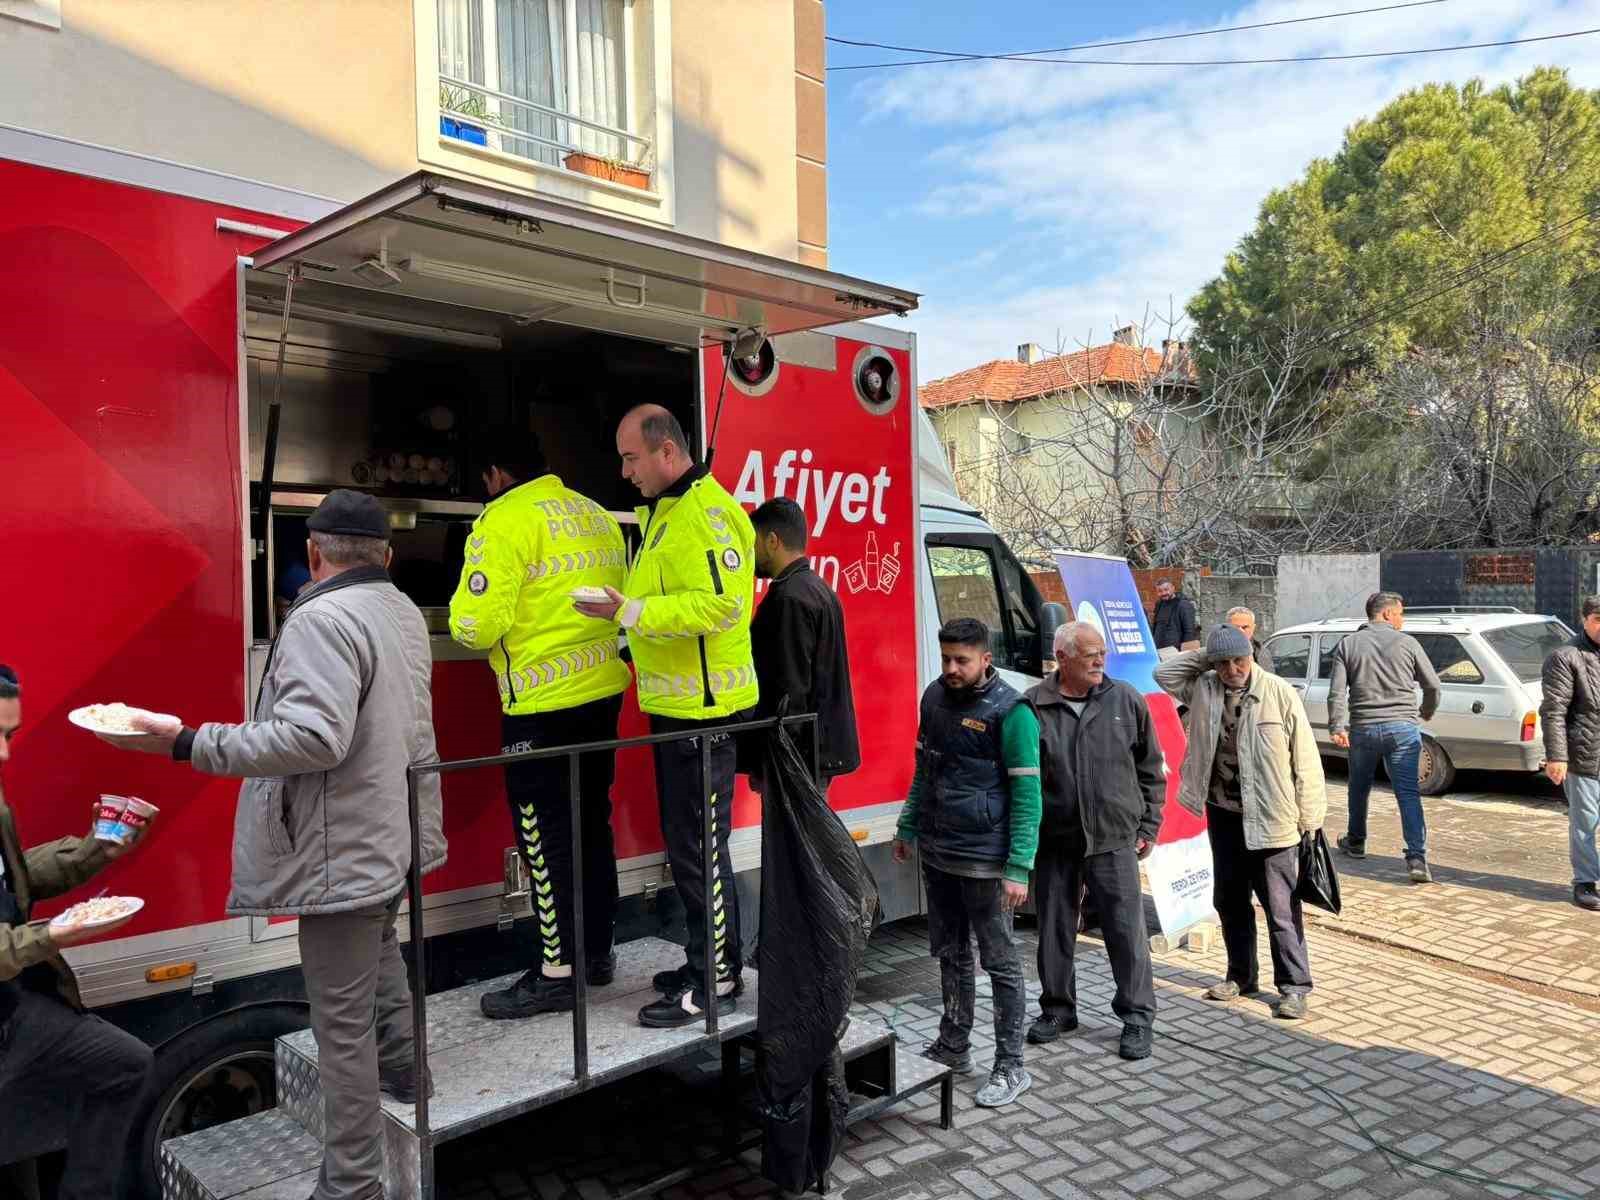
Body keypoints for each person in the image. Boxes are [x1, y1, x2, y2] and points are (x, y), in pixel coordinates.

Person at [119, 490, 447, 1200]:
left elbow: (311, 737)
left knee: (340, 1028)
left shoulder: (321, 618)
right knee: (381, 956)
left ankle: (352, 1184)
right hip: (392, 834)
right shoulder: (400, 613)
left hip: (341, 851)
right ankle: (407, 1069)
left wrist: (186, 741)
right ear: (386, 556)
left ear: (311, 554)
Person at [575, 405, 758, 1028]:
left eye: (631, 458)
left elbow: (720, 607)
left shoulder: (704, 515)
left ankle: (718, 982)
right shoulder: (667, 515)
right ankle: (708, 960)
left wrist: (629, 614)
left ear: (667, 453)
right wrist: (626, 623)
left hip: (703, 718)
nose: (625, 472)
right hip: (676, 711)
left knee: (701, 852)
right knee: (691, 851)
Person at [448, 433, 630, 1017]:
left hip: (540, 707)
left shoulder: (504, 521)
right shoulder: (596, 515)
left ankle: (557, 971)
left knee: (544, 838)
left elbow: (475, 627)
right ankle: (596, 954)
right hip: (601, 697)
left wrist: (458, 609)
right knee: (590, 823)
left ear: (497, 474)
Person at [0, 663, 156, 1200]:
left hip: (15, 1013)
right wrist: (53, 934)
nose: (4, 754)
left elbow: (13, 874)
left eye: (10, 735)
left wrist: (93, 849)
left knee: (126, 1063)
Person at [891, 618, 1040, 1108]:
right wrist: (908, 826)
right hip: (938, 851)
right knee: (950, 954)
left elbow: (1027, 793)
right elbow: (924, 770)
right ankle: (954, 1047)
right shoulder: (933, 698)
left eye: (963, 660)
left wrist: (1019, 866)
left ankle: (1011, 1065)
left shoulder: (1012, 711)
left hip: (986, 860)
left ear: (986, 659)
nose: (952, 669)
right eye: (947, 658)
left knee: (999, 962)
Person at [1156, 625, 1325, 1019]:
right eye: (1224, 662)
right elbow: (1162, 675)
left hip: (1274, 818)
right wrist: (1209, 655)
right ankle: (1240, 975)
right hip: (1223, 815)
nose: (1233, 669)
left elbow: (1306, 760)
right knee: (1230, 901)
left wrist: (1311, 818)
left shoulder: (1278, 693)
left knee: (1280, 907)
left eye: (1240, 659)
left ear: (1252, 656)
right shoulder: (1204, 689)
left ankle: (1294, 987)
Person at [1024, 622, 1165, 1061]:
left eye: (1101, 652)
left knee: (1125, 931)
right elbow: (1020, 781)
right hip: (1055, 841)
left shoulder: (1125, 699)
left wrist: (1148, 826)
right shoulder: (1032, 706)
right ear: (1062, 657)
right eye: (1089, 654)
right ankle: (1057, 1010)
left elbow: (1151, 768)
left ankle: (1137, 1018)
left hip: (1113, 838)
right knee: (1053, 929)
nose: (1100, 661)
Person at [743, 496, 860, 791]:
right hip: (811, 755)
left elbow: (789, 691)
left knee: (791, 839)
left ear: (772, 540)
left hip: (796, 761)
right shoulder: (817, 588)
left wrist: (778, 763)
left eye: (753, 542)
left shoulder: (789, 598)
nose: (750, 552)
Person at [1328, 591, 1441, 883]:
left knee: (1359, 786)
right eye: (1400, 613)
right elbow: (1433, 686)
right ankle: (1416, 857)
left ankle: (1356, 841)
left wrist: (1337, 727)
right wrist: (1425, 712)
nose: (1402, 618)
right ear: (1387, 614)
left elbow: (1337, 692)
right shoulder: (1408, 643)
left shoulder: (1348, 645)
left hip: (1363, 728)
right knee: (1407, 793)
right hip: (1403, 728)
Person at [1540, 595, 1600, 912]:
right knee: (1585, 823)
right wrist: (1557, 756)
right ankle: (1585, 882)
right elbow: (1553, 711)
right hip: (1585, 756)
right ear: (1585, 619)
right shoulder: (1566, 657)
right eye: (1598, 620)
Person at [1151, 578, 1200, 660]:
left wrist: (1184, 655)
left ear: (1173, 588)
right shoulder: (1159, 604)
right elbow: (1156, 627)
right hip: (1159, 651)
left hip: (1175, 653)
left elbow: (1189, 631)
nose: (1163, 593)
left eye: (1166, 589)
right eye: (1160, 591)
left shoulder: (1183, 605)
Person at [1225, 605, 1272, 670]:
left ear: (1253, 628)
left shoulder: (1263, 653)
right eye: (1236, 627)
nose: (1240, 631)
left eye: (1245, 627)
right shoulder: (1212, 652)